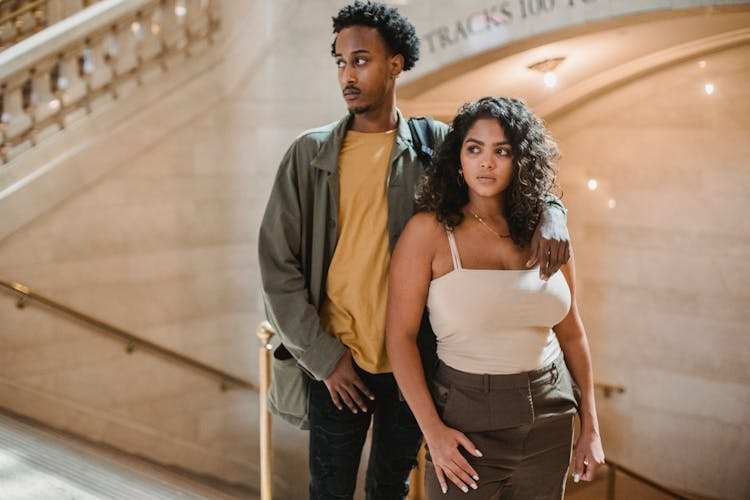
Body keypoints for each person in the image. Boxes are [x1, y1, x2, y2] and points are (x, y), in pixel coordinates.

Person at [257, 2, 571, 498]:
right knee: (330, 490)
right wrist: (324, 359)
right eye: (340, 62)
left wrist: (554, 210)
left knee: (392, 487)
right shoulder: (308, 154)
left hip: (416, 366)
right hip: (340, 365)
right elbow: (277, 268)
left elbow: (502, 179)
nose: (347, 74)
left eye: (360, 60)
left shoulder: (435, 146)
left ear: (396, 64)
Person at [386, 97, 605, 499]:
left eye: (501, 151)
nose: (486, 162)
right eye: (475, 149)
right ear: (458, 158)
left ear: (521, 161)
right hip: (467, 422)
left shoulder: (548, 231)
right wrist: (432, 432)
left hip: (551, 415)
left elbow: (572, 333)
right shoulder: (429, 232)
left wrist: (590, 424)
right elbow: (398, 338)